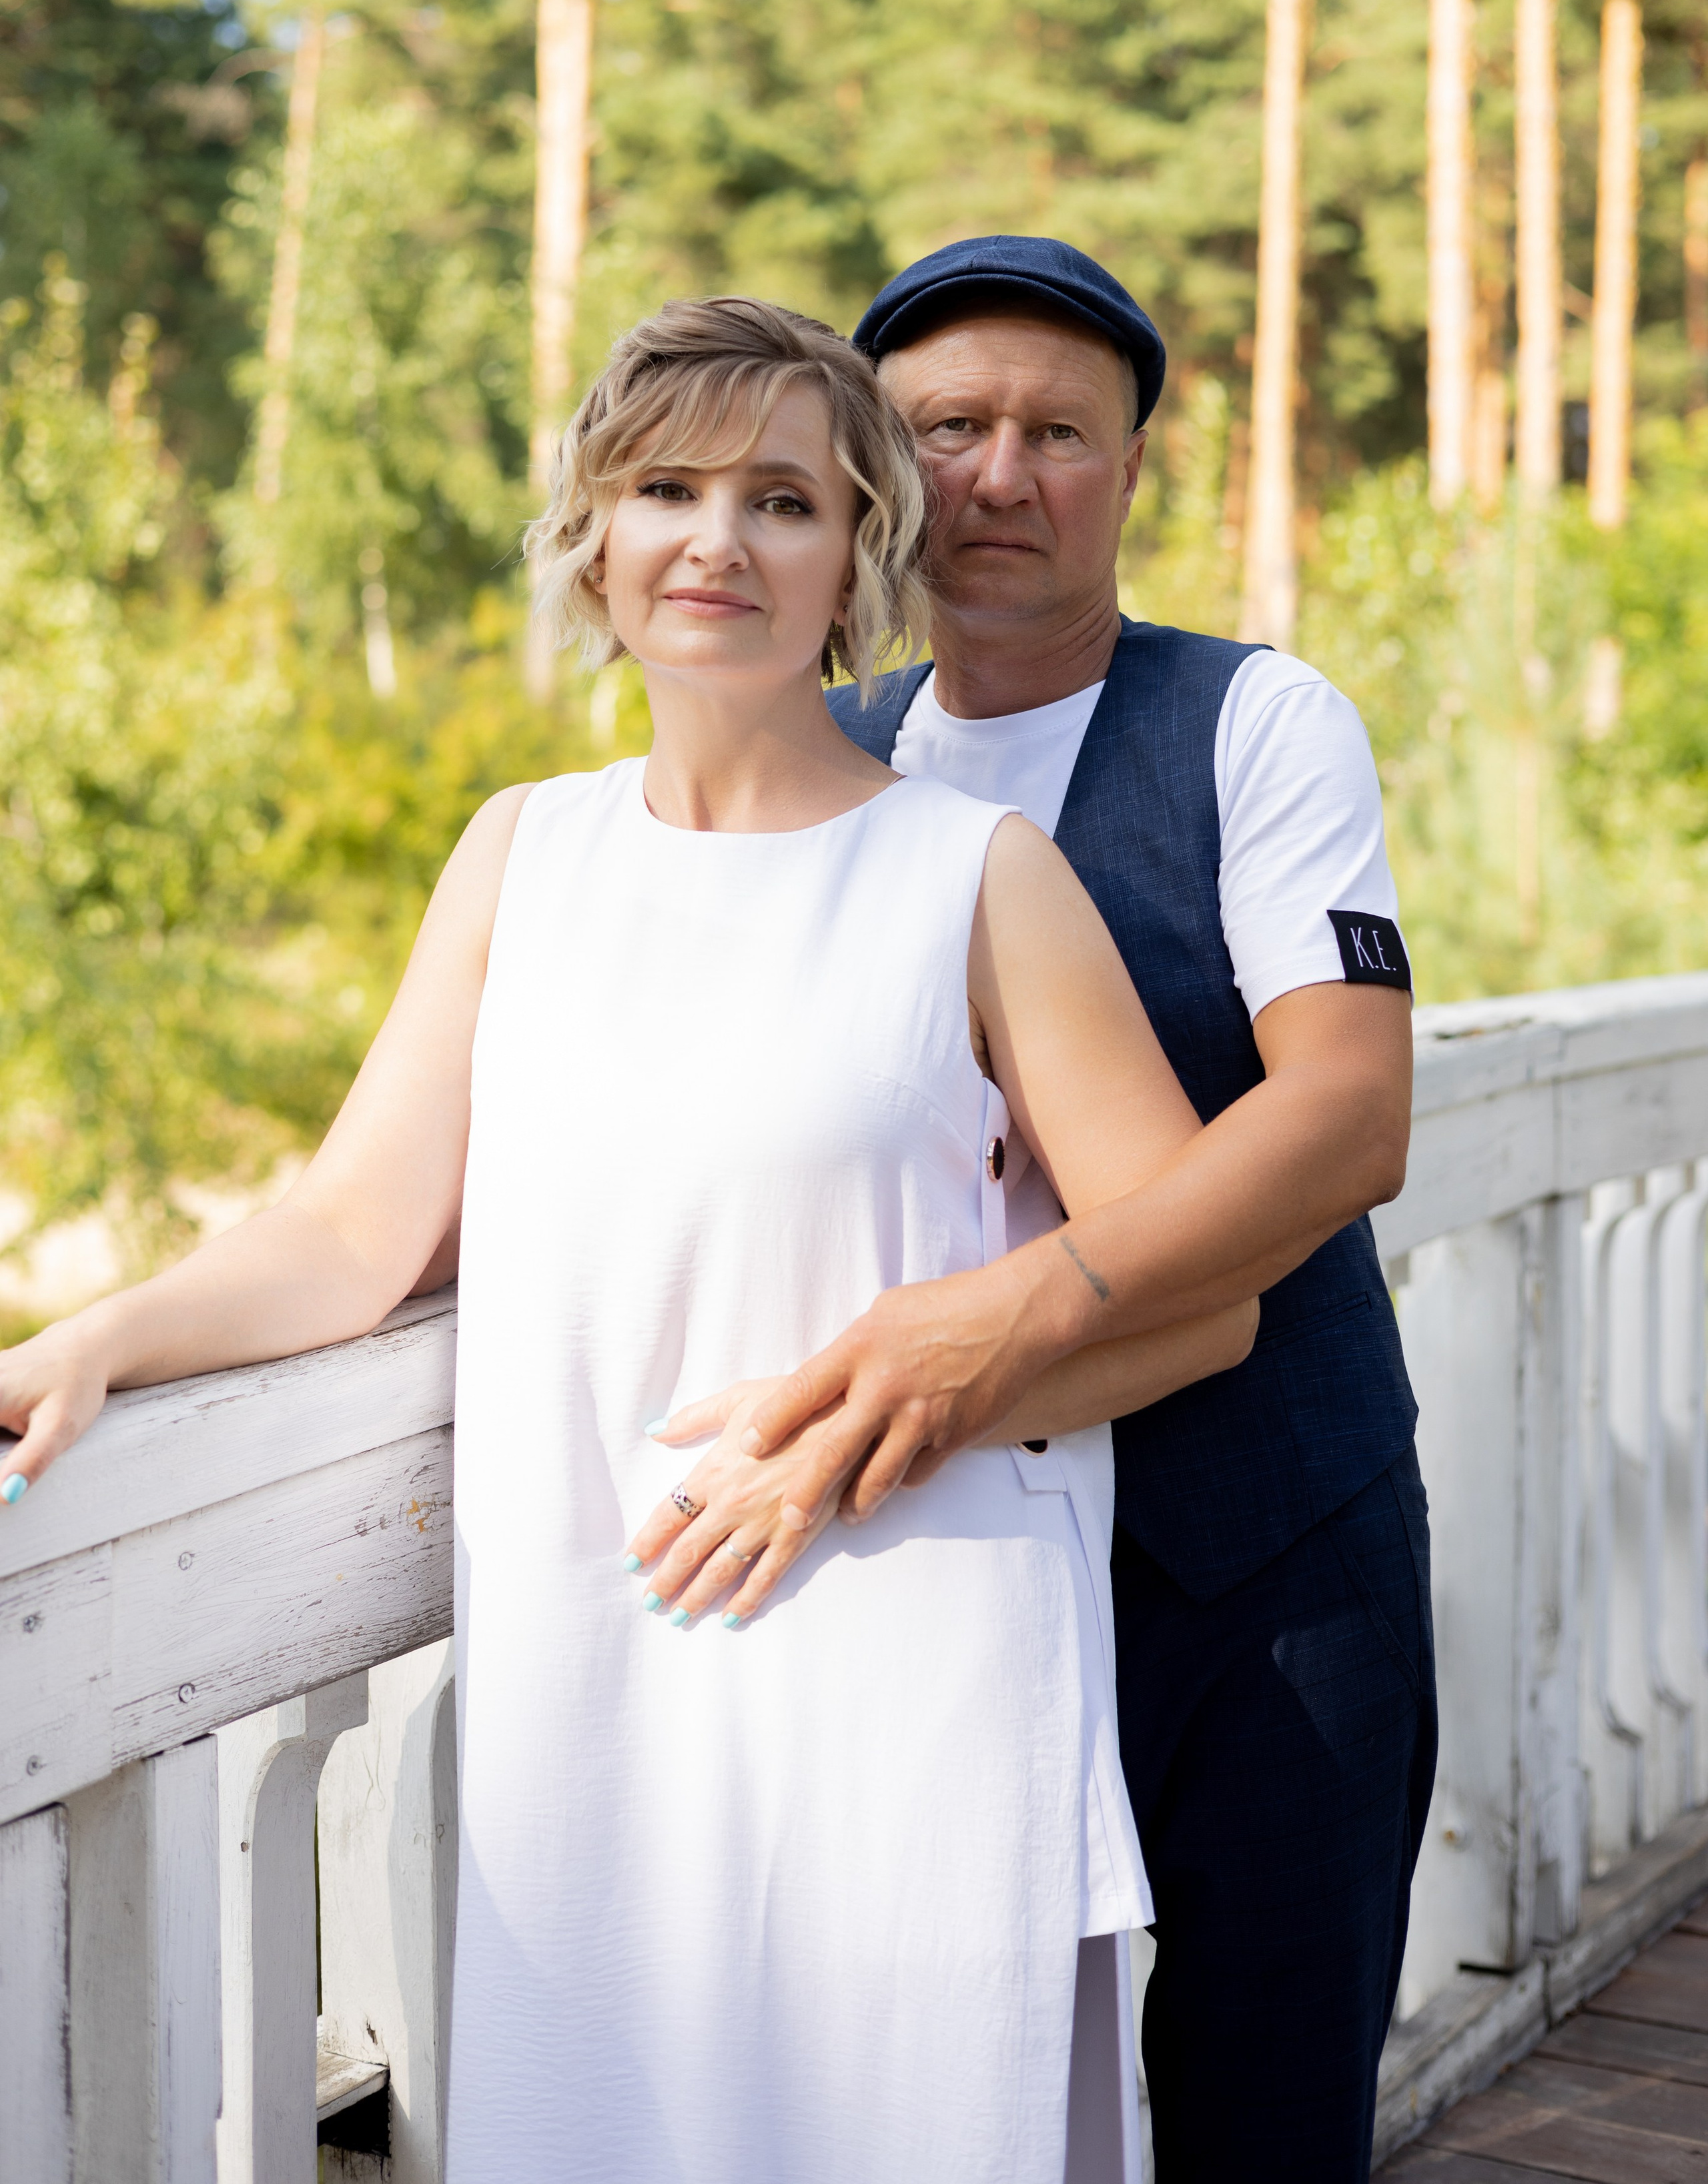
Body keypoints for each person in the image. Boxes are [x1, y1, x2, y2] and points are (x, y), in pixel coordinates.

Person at [1, 296, 1264, 2184]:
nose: (717, 540)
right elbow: (357, 1229)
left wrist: (873, 1433)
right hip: (596, 1692)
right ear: (595, 539)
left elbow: (1210, 1300)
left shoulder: (976, 882)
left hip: (899, 1667)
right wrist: (105, 1336)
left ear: (857, 561)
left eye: (785, 500)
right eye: (665, 488)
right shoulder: (525, 854)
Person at [648, 240, 1435, 2183]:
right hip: (952, 1573)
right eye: (949, 430)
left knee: (1270, 2100)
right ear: (884, 473)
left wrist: (1016, 1312)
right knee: (956, 2105)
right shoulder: (831, 759)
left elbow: (1345, 1115)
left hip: (1272, 1551)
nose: (1003, 475)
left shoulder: (1257, 723)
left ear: (1133, 474)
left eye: (1059, 434)